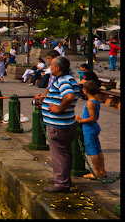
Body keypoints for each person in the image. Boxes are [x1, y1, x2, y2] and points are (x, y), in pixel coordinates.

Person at [34, 56, 81, 193]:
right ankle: (64, 178)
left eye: (52, 65)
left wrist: (59, 109)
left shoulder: (63, 81)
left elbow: (69, 96)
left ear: (58, 68)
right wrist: (45, 100)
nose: (50, 67)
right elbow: (61, 97)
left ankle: (61, 183)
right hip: (66, 123)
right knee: (65, 152)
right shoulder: (70, 79)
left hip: (58, 125)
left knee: (59, 154)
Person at [75, 80, 107, 180]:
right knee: (98, 149)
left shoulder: (90, 103)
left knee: (92, 151)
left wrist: (81, 120)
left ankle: (96, 172)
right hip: (94, 127)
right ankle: (102, 170)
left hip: (89, 128)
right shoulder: (96, 100)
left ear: (86, 91)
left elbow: (92, 118)